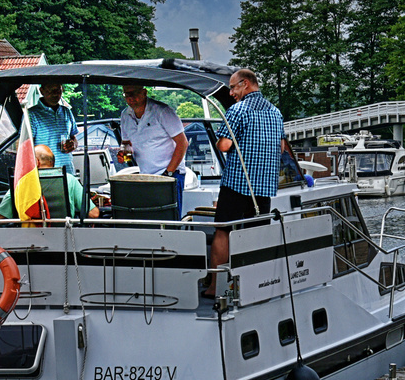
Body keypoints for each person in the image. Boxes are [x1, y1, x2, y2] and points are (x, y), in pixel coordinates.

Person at [206, 68, 283, 296]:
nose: (231, 93)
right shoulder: (276, 112)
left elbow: (224, 146)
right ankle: (254, 285)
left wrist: (224, 140)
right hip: (264, 186)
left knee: (223, 231)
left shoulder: (238, 110)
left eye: (232, 87)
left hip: (238, 182)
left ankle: (215, 287)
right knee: (255, 233)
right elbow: (280, 147)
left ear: (245, 84)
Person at [118, 83, 190, 212]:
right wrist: (125, 154)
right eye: (127, 94)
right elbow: (126, 143)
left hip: (171, 174)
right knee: (151, 217)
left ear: (144, 93)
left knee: (169, 218)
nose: (130, 98)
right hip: (146, 176)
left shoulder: (162, 111)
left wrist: (168, 173)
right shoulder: (125, 115)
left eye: (134, 93)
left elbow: (183, 143)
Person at [0, 145, 99, 219]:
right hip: (64, 243)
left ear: (36, 162)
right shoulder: (69, 179)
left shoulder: (22, 182)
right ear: (52, 162)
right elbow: (94, 213)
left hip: (30, 243)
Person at [25, 81, 80, 171]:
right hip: (45, 172)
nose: (56, 95)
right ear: (41, 91)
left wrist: (73, 144)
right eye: (51, 91)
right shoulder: (32, 114)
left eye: (59, 91)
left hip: (67, 170)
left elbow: (73, 138)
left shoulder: (66, 112)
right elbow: (25, 146)